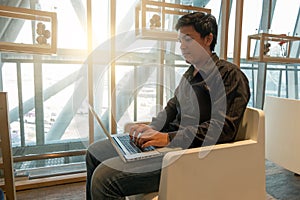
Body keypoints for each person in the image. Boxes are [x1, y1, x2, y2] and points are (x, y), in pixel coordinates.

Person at [85, 11, 250, 199]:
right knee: (94, 152)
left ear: (208, 39)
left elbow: (223, 128)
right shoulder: (190, 73)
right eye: (180, 41)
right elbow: (172, 108)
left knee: (104, 179)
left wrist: (167, 138)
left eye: (188, 40)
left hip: (188, 156)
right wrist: (151, 128)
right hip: (169, 146)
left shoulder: (230, 75)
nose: (182, 47)